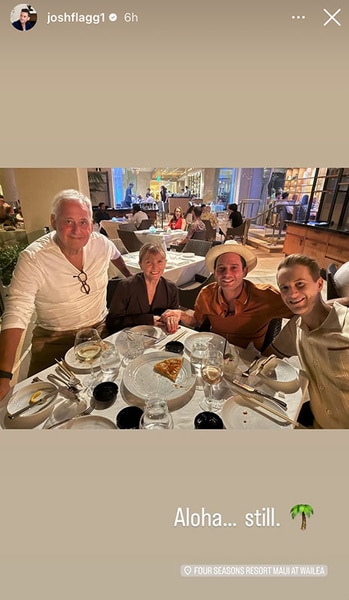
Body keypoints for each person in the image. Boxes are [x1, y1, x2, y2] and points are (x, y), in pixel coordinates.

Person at [0, 189, 132, 401]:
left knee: (109, 392)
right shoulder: (34, 258)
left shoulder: (101, 243)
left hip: (100, 332)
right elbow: (17, 310)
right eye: (68, 221)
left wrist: (129, 276)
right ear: (53, 221)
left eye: (83, 222)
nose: (77, 230)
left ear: (91, 223)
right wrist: (4, 375)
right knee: (42, 402)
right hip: (53, 340)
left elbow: (116, 255)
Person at [269, 254, 349, 429]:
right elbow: (269, 356)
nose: (293, 293)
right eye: (285, 288)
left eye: (300, 284)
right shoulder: (294, 327)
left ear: (319, 284)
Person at [161, 241, 293, 347]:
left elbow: (303, 312)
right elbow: (197, 320)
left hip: (248, 363)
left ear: (244, 271)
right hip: (214, 355)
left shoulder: (266, 296)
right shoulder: (207, 294)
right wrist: (180, 314)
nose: (227, 274)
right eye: (221, 268)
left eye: (234, 267)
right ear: (215, 273)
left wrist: (281, 348)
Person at [106, 243, 179, 332]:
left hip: (161, 338)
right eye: (148, 262)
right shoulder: (126, 286)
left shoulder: (171, 288)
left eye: (160, 261)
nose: (155, 267)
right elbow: (112, 322)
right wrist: (147, 320)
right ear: (140, 265)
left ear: (165, 263)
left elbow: (175, 315)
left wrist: (172, 319)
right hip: (132, 339)